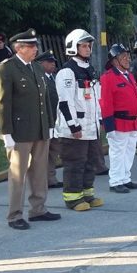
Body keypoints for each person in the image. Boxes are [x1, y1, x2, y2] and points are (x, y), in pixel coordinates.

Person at [0, 28, 60, 230]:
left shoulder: (37, 68)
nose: (35, 49)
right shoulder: (7, 68)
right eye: (31, 46)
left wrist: (49, 124)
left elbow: (45, 99)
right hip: (19, 131)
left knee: (39, 171)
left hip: (39, 128)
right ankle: (15, 215)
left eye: (35, 45)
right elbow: (2, 102)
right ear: (18, 48)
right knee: (17, 174)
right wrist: (6, 132)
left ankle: (38, 208)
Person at [54, 30, 104, 210]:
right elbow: (65, 103)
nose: (88, 48)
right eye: (84, 45)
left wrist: (99, 119)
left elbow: (96, 98)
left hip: (91, 127)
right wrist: (73, 126)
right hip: (75, 129)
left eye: (89, 45)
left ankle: (87, 194)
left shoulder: (90, 69)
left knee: (91, 162)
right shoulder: (67, 72)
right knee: (75, 163)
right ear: (73, 47)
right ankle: (73, 198)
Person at [100, 44, 137, 193]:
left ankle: (125, 178)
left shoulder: (129, 75)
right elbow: (106, 103)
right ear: (114, 61)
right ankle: (116, 181)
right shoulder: (108, 78)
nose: (127, 59)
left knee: (129, 152)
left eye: (127, 56)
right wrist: (109, 127)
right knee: (118, 153)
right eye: (123, 56)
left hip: (133, 121)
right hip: (119, 122)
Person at [34, 50, 62, 189]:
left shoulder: (54, 77)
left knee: (53, 150)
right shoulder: (39, 78)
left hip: (56, 120)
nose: (53, 65)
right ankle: (43, 179)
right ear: (40, 63)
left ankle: (50, 178)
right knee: (44, 152)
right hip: (44, 121)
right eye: (49, 62)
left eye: (54, 62)